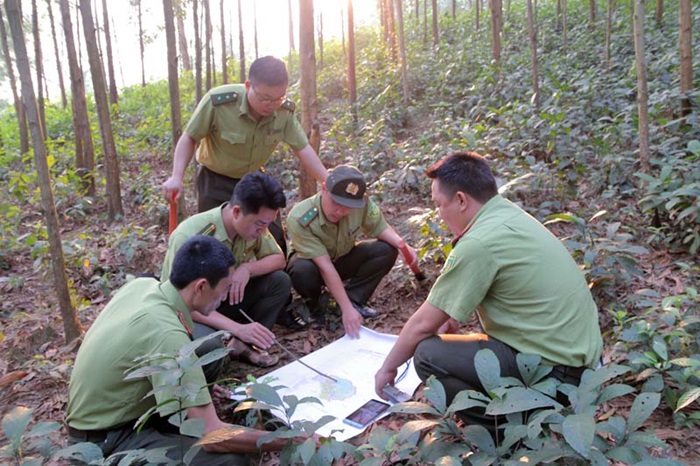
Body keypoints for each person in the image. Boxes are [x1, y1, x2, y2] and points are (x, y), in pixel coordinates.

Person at [374, 152, 603, 437]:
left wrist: (387, 368)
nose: (439, 214)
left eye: (438, 205)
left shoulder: (479, 243)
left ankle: (502, 431)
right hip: (585, 362)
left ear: (460, 200)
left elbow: (422, 324)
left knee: (427, 354)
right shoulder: (507, 213)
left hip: (556, 374)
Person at [66, 236, 294, 465]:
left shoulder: (142, 286)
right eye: (224, 289)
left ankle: (185, 418)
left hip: (105, 415)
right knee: (232, 460)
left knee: (208, 351)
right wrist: (292, 440)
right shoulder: (167, 334)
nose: (225, 297)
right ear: (201, 286)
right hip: (102, 442)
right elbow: (214, 437)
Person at [161, 55, 328, 254]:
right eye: (265, 98)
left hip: (254, 180)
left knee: (273, 237)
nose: (271, 104)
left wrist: (326, 180)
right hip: (216, 181)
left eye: (278, 98)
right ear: (248, 85)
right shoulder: (219, 103)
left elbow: (302, 148)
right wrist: (176, 176)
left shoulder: (284, 112)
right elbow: (190, 137)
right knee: (215, 242)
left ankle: (272, 280)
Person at [161, 172, 296, 368]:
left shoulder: (253, 226)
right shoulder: (191, 235)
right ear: (236, 212)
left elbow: (278, 259)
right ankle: (220, 356)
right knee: (210, 346)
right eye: (260, 224)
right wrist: (237, 328)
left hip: (223, 300)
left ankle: (243, 346)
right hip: (191, 312)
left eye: (266, 225)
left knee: (279, 282)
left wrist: (248, 268)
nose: (262, 231)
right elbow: (179, 302)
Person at [286, 164, 418, 339]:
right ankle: (316, 306)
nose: (341, 211)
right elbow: (325, 266)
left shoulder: (361, 204)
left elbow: (379, 227)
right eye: (336, 203)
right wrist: (345, 309)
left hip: (342, 258)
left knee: (386, 249)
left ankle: (354, 299)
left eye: (348, 206)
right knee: (302, 270)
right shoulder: (300, 217)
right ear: (324, 188)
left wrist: (403, 245)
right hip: (315, 266)